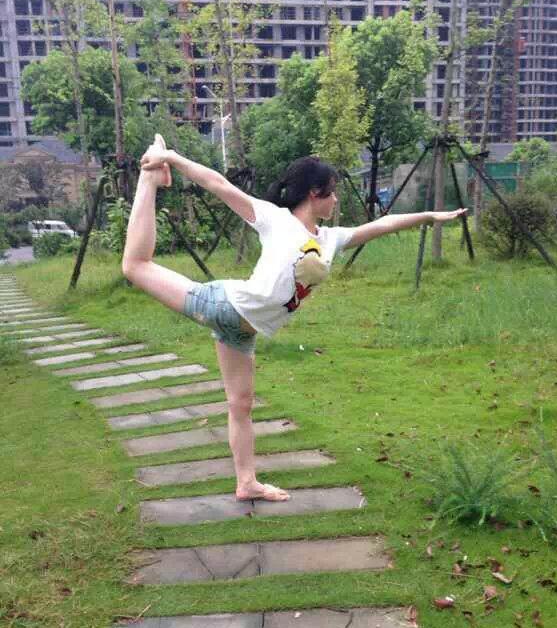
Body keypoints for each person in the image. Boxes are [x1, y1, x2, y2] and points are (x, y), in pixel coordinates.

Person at [122, 134, 467, 503]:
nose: (337, 200)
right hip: (223, 305)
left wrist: (428, 217)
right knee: (135, 266)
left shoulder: (331, 238)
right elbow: (217, 184)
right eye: (333, 193)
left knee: (241, 405)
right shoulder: (275, 220)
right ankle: (150, 177)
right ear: (315, 193)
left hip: (243, 333)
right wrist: (173, 157)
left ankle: (246, 483)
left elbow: (384, 224)